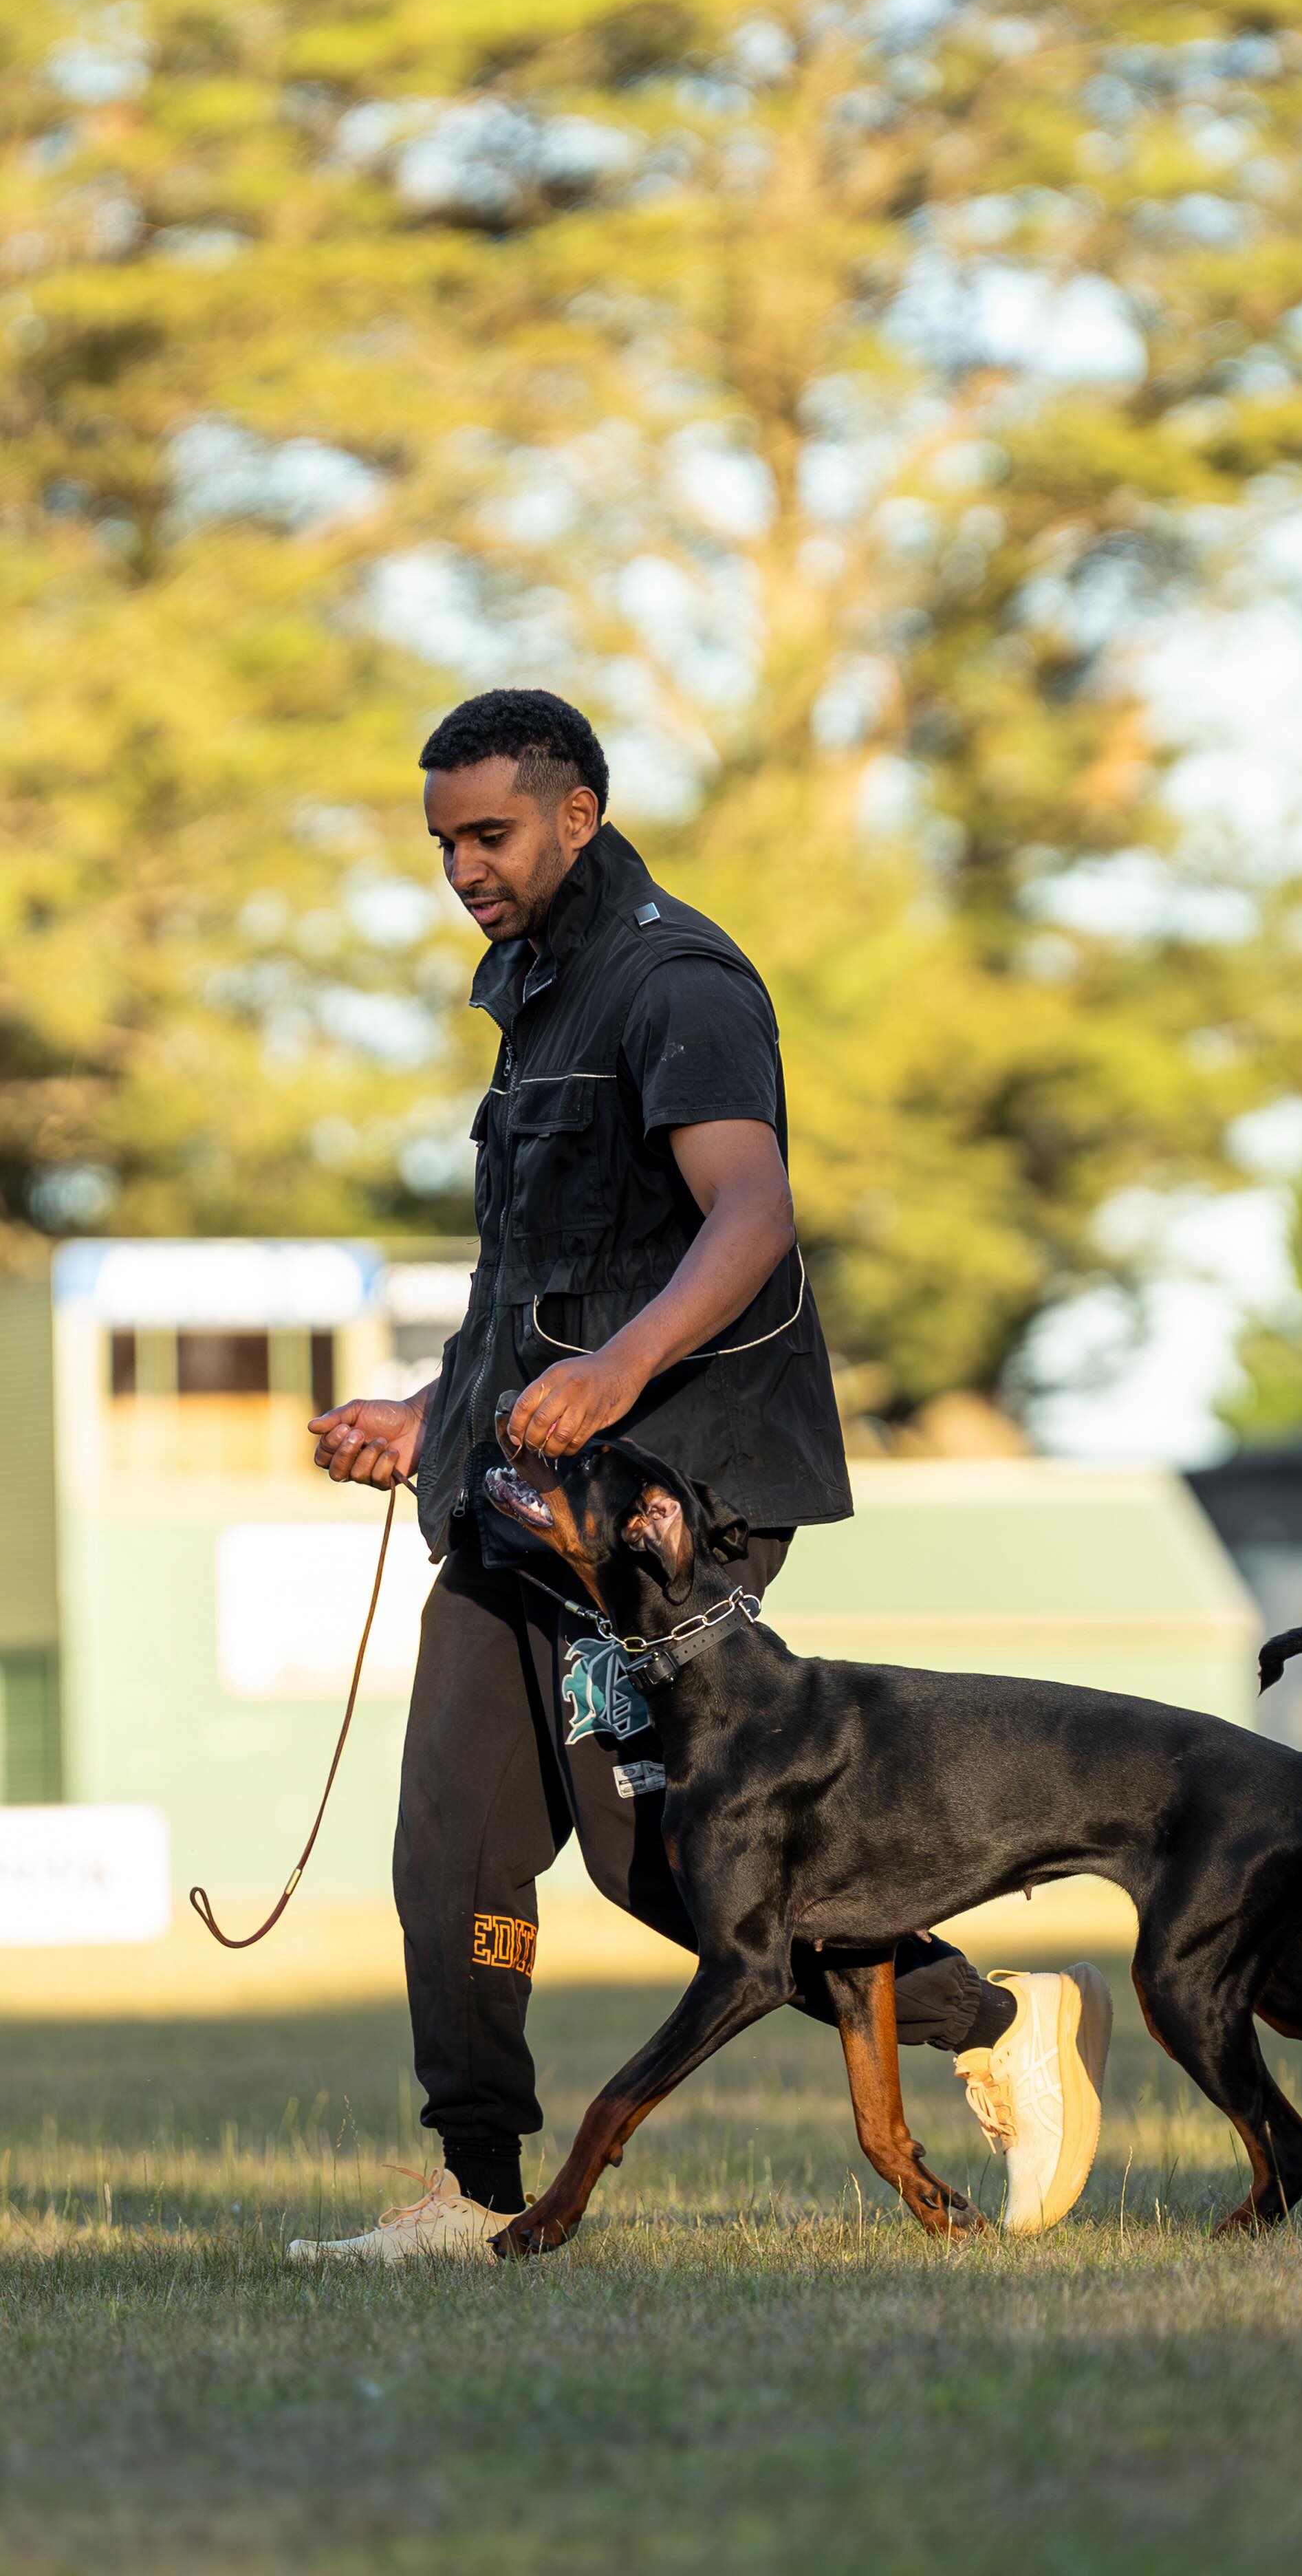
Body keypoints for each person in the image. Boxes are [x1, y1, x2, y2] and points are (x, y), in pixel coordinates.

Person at [289, 688, 1111, 2261]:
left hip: (674, 1502)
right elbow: (538, 1274)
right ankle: (472, 2194)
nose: (462, 865)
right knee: (452, 1831)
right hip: (519, 1500)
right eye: (443, 840)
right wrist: (430, 1406)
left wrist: (622, 1369)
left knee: (656, 1857)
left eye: (491, 832)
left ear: (578, 813)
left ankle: (990, 2020)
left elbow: (750, 1215)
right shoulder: (533, 989)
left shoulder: (679, 982)